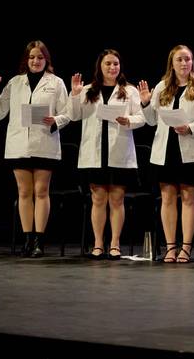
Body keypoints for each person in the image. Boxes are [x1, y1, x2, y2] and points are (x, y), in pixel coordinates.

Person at [0, 40, 70, 258]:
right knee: (24, 192)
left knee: (41, 191)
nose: (36, 61)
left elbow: (67, 112)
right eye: (32, 57)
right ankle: (27, 240)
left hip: (44, 143)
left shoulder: (56, 82)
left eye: (40, 57)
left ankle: (39, 242)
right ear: (26, 60)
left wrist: (56, 119)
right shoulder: (15, 82)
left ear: (46, 60)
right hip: (19, 145)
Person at [138, 45, 194, 263]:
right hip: (166, 149)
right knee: (167, 198)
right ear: (171, 63)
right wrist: (145, 102)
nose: (184, 63)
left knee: (188, 197)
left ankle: (186, 248)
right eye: (180, 60)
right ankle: (171, 247)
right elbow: (151, 120)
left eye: (187, 59)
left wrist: (190, 127)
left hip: (191, 149)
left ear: (192, 62)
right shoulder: (162, 86)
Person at [69, 49, 145, 259]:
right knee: (98, 198)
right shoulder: (87, 90)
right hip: (94, 152)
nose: (112, 67)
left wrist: (128, 120)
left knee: (117, 199)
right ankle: (98, 243)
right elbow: (74, 116)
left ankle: (115, 243)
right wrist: (74, 94)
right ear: (100, 66)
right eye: (108, 64)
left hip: (118, 151)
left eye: (115, 64)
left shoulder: (129, 91)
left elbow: (141, 118)